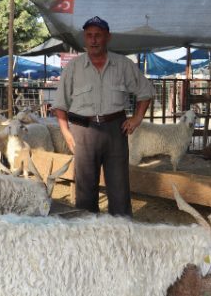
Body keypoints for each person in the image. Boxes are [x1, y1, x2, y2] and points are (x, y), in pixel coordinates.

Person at [52, 16, 155, 216]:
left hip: (116, 129)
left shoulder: (123, 65)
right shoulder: (73, 67)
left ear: (108, 37)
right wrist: (66, 133)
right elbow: (60, 105)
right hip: (83, 131)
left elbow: (146, 91)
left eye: (98, 35)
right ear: (84, 38)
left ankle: (122, 230)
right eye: (89, 35)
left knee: (119, 185)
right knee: (85, 186)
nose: (93, 40)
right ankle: (87, 232)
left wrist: (137, 118)